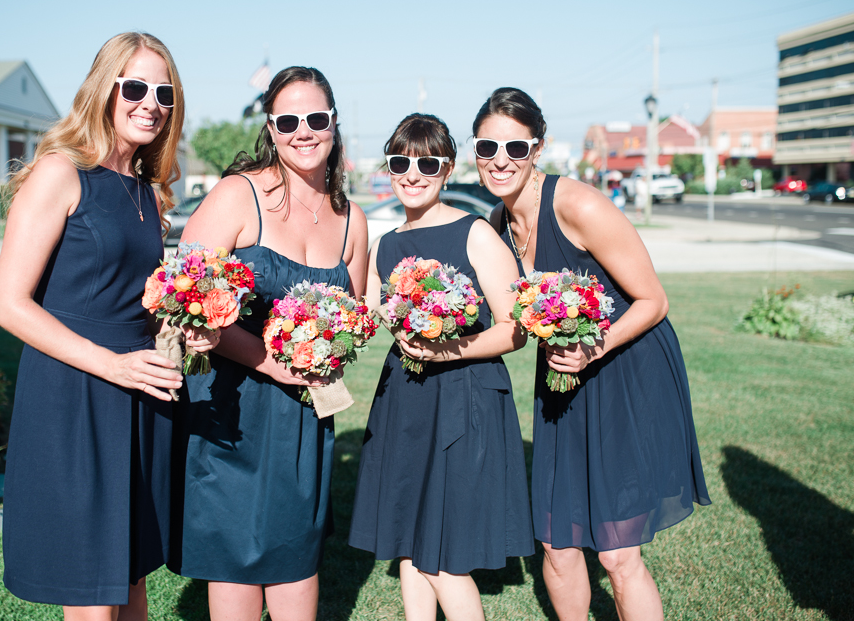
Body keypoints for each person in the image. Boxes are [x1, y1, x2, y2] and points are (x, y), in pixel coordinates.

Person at [0, 32, 207, 621]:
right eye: (135, 87)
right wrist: (112, 365)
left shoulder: (148, 189)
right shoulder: (62, 173)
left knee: (131, 578)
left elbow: (137, 297)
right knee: (93, 593)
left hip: (140, 394)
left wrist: (190, 329)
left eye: (164, 92)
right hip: (74, 395)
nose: (151, 103)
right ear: (102, 91)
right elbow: (8, 304)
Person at [475, 87, 710, 621]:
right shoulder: (497, 225)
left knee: (617, 550)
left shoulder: (577, 204)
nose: (501, 161)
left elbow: (654, 300)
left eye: (516, 147)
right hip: (562, 379)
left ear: (538, 148)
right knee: (557, 544)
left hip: (626, 370)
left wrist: (593, 347)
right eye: (488, 149)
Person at [169, 66, 369, 621]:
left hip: (306, 416)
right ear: (271, 127)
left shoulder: (352, 222)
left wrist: (329, 348)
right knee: (236, 564)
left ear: (333, 123)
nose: (302, 131)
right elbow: (183, 302)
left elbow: (351, 319)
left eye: (315, 118)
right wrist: (273, 364)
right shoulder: (238, 195)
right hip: (232, 410)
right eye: (287, 120)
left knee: (296, 562)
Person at [348, 113, 533, 621]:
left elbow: (514, 329)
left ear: (447, 168)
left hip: (463, 399)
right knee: (410, 540)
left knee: (445, 557)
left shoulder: (473, 233)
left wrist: (446, 350)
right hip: (405, 399)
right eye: (400, 162)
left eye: (427, 163)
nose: (412, 173)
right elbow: (367, 311)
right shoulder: (387, 245)